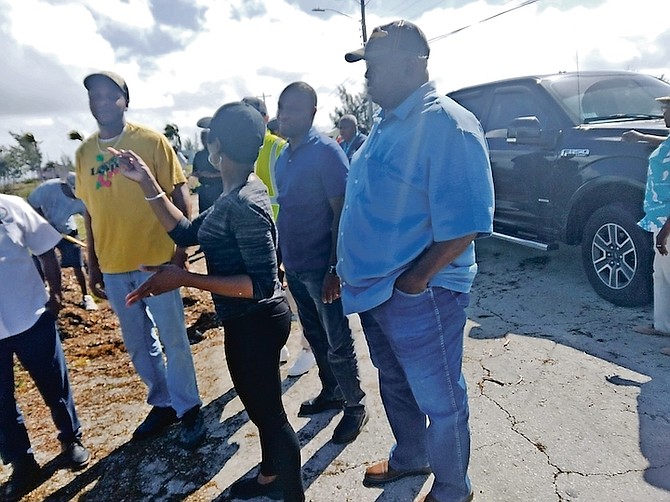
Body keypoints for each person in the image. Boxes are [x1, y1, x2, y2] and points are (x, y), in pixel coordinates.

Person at [111, 101, 304, 502]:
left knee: (269, 417)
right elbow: (185, 232)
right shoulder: (235, 194)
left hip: (256, 320)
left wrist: (184, 278)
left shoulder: (245, 203)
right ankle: (271, 476)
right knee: (261, 411)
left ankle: (291, 492)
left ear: (217, 146)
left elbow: (262, 283)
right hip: (247, 320)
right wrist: (147, 180)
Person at [340, 20, 495, 502]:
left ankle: (452, 488)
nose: (367, 76)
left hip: (419, 293)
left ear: (414, 64)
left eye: (376, 66)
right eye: (364, 66)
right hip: (375, 291)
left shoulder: (447, 124)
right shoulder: (385, 126)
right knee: (395, 382)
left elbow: (468, 220)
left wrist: (415, 280)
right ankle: (412, 455)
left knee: (441, 399)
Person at [74, 71, 204, 449]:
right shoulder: (84, 154)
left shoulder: (150, 141)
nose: (100, 100)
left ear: (124, 99)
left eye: (108, 94)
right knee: (136, 342)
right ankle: (162, 402)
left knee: (173, 340)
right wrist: (92, 261)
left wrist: (180, 254)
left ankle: (189, 408)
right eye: (93, 95)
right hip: (114, 266)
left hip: (157, 262)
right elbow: (89, 214)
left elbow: (181, 199)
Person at [275, 81, 368, 444]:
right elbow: (287, 211)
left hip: (321, 269)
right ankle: (332, 392)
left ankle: (355, 406)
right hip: (297, 268)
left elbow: (341, 214)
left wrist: (334, 269)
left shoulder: (327, 153)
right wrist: (281, 259)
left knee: (337, 340)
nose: (285, 114)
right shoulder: (284, 155)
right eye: (283, 107)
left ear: (312, 112)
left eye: (294, 108)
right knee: (314, 336)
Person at [0, 194, 90, 501]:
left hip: (32, 316)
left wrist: (56, 295)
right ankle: (22, 463)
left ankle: (71, 439)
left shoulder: (11, 206)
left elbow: (46, 250)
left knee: (54, 383)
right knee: (0, 402)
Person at [240, 95, 316, 376]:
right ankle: (279, 343)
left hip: (282, 232)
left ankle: (308, 349)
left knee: (295, 294)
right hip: (259, 235)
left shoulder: (278, 148)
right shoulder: (243, 149)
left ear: (263, 117)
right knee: (268, 294)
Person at [626, 96, 670, 356]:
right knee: (661, 276)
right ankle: (663, 325)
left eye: (667, 110)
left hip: (667, 221)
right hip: (659, 217)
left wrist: (665, 231)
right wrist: (641, 136)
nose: (663, 115)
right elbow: (663, 143)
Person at [27, 172, 98, 311]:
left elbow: (90, 220)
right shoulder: (48, 188)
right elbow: (31, 205)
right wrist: (44, 223)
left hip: (66, 231)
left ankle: (86, 296)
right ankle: (42, 295)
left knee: (77, 263)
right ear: (68, 186)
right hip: (42, 230)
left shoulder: (83, 200)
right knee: (40, 262)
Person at [191, 127, 223, 212]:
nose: (203, 140)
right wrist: (198, 174)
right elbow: (194, 172)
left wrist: (211, 175)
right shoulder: (199, 155)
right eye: (202, 138)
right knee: (203, 216)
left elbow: (227, 172)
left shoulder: (218, 154)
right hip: (204, 190)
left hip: (218, 189)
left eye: (205, 137)